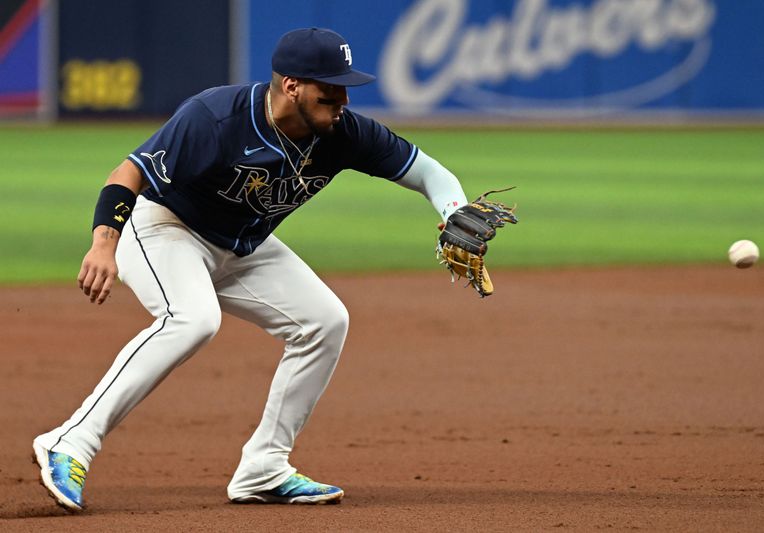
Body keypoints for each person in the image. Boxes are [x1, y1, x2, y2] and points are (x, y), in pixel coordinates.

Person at [32, 27, 470, 510]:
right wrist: (103, 244)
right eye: (329, 91)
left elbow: (430, 172)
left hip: (243, 244)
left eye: (346, 89)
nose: (342, 101)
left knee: (324, 321)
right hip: (162, 228)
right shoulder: (216, 118)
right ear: (292, 86)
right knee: (193, 319)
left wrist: (453, 211)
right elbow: (127, 174)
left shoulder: (343, 132)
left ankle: (264, 468)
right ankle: (70, 441)